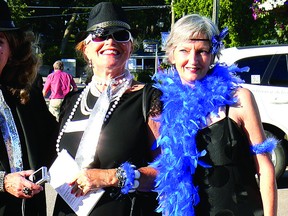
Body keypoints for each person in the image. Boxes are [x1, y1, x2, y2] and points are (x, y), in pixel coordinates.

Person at [152, 14, 277, 216]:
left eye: (202, 51)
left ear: (212, 55)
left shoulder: (238, 99)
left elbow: (264, 167)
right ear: (172, 55)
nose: (193, 60)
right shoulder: (162, 105)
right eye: (184, 50)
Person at [52, 2, 162, 216]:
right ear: (86, 49)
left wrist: (111, 177)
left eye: (121, 34)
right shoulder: (72, 101)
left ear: (130, 46)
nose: (111, 41)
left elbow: (169, 172)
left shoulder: (150, 98)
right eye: (100, 35)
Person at [0, 1, 59, 215]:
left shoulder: (26, 92)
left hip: (29, 208)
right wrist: (3, 181)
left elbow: (54, 140)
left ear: (11, 49)